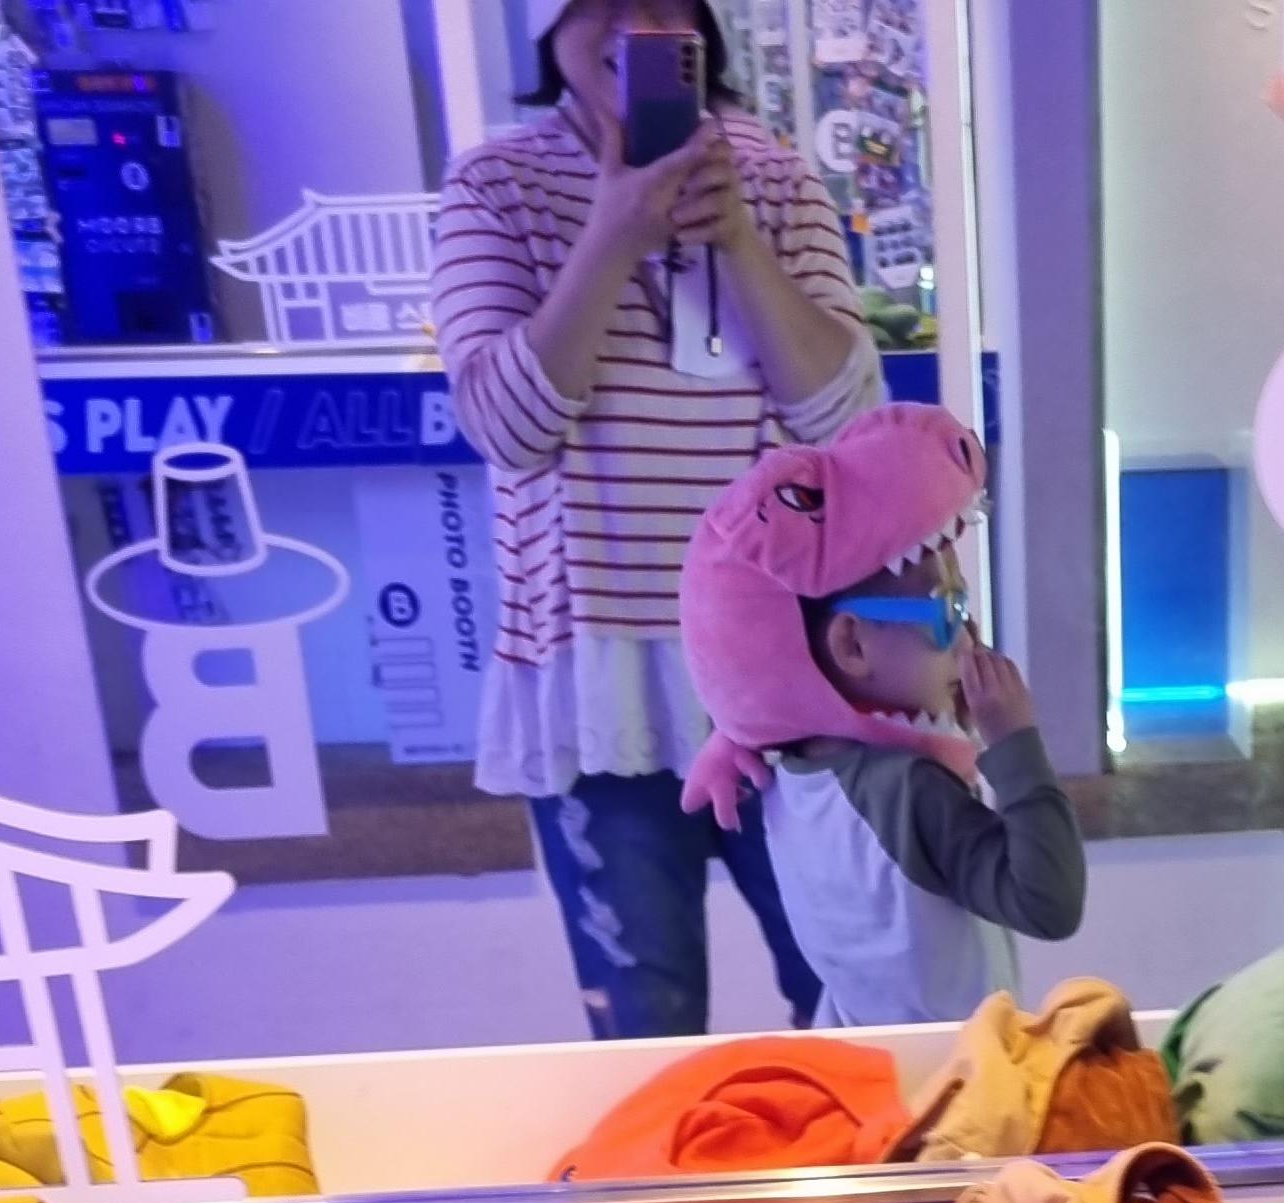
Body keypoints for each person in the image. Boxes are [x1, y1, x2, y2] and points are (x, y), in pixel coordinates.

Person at [432, 0, 880, 1039]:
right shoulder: (496, 185)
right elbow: (506, 429)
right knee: (646, 1025)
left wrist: (741, 243)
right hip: (603, 686)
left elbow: (845, 424)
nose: (636, 18)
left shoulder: (774, 179)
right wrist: (614, 232)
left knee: (849, 996)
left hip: (789, 676)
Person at [678, 402, 1086, 1027]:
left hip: (863, 1049)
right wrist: (1016, 745)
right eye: (948, 611)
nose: (969, 639)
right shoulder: (908, 792)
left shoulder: (790, 773)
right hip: (958, 1064)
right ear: (852, 646)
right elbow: (1049, 903)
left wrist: (738, 730)